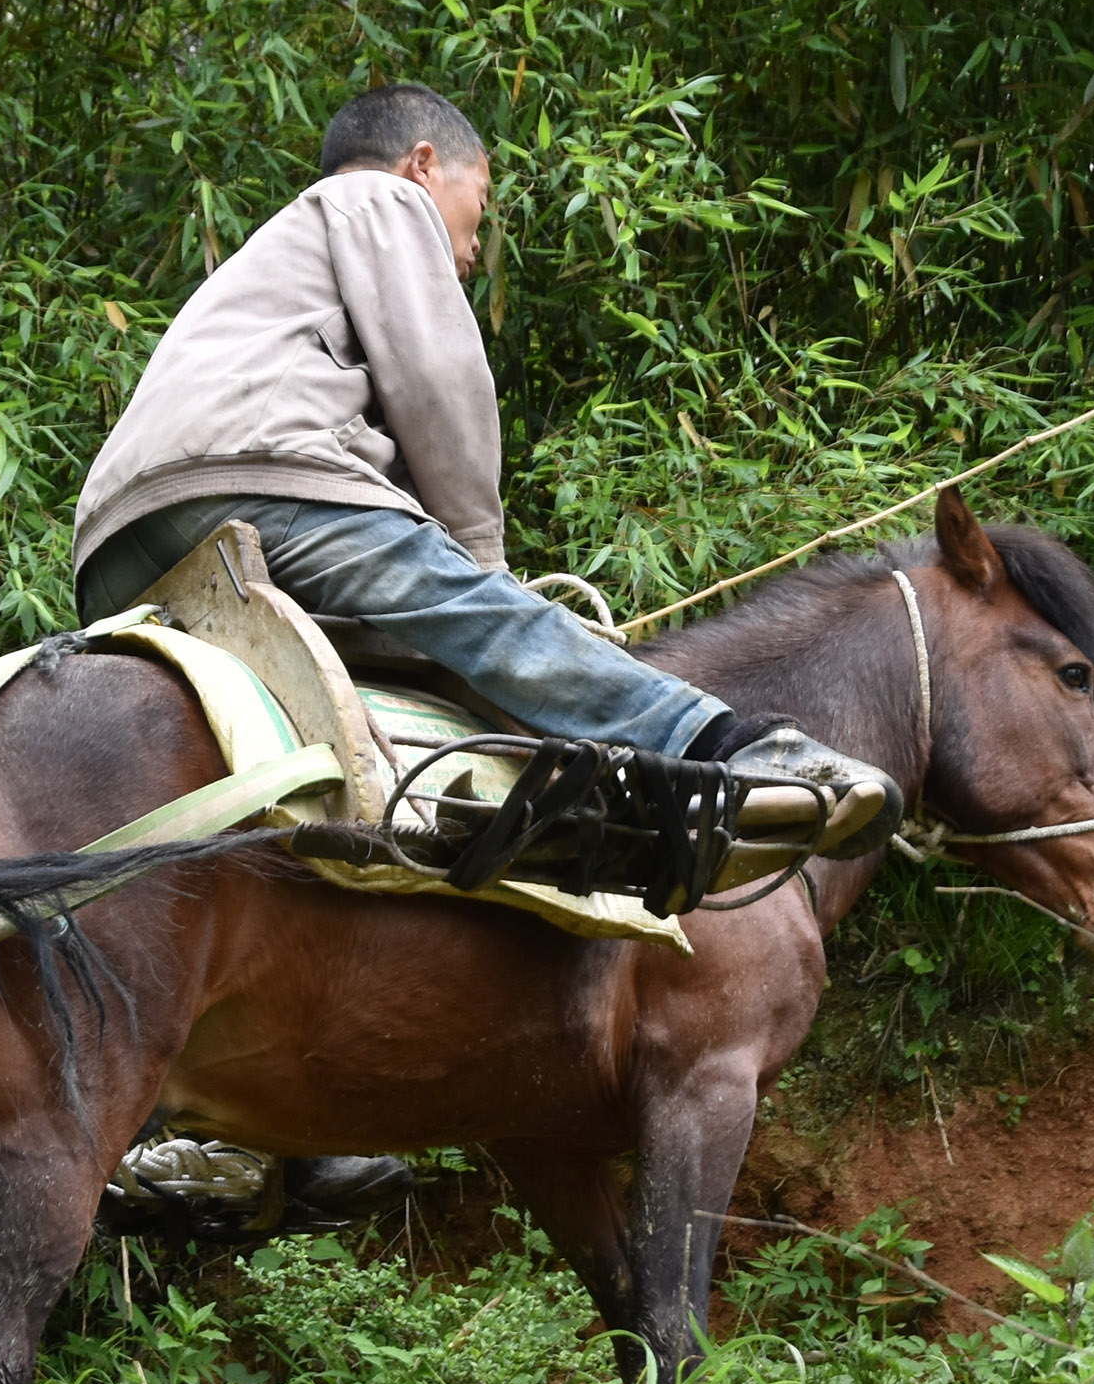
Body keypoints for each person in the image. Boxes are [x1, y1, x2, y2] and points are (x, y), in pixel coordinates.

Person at [73, 83, 900, 853]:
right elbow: (438, 379)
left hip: (116, 551)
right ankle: (733, 748)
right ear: (424, 163)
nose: (471, 249)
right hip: (251, 489)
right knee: (496, 626)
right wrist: (487, 572)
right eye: (480, 207)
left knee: (429, 663)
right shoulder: (380, 198)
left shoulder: (268, 264)